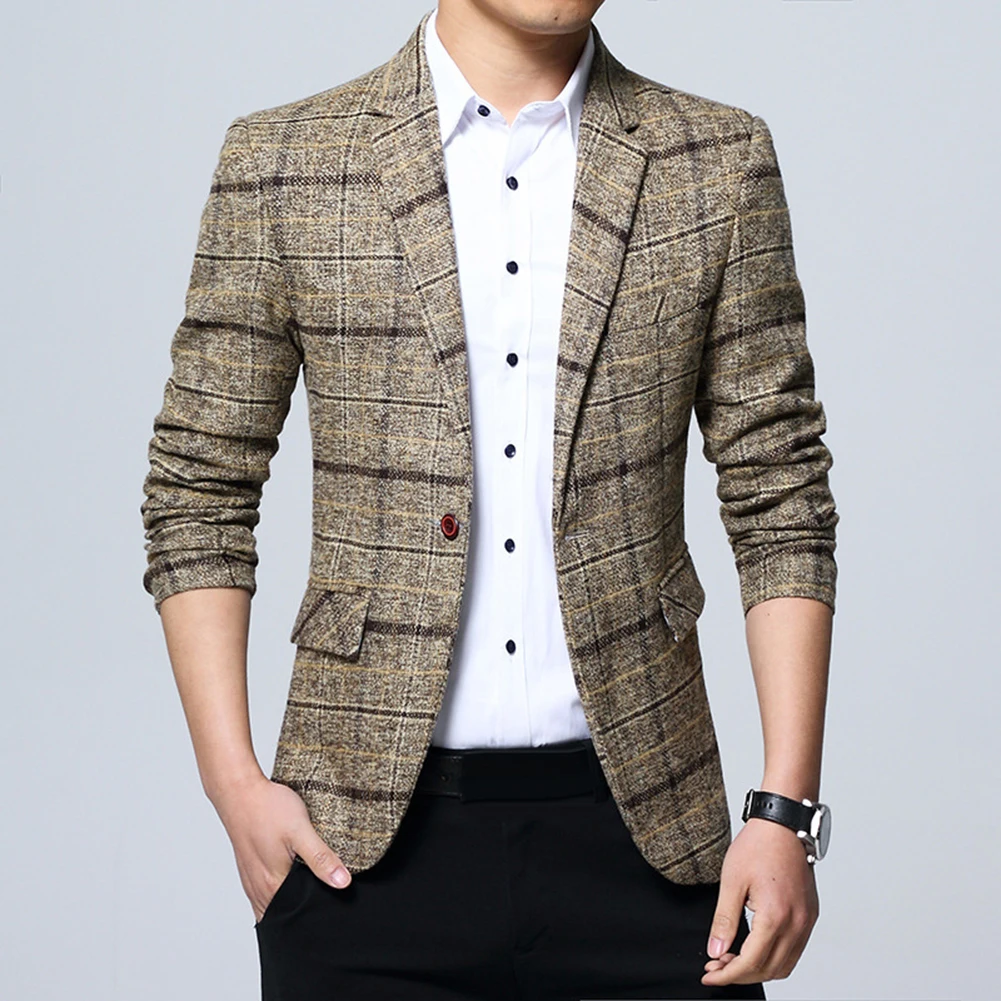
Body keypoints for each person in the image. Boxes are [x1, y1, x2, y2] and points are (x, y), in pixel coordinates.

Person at [140, 2, 838, 998]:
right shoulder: (286, 161)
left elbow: (780, 491)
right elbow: (199, 485)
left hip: (647, 836)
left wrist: (784, 810)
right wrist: (232, 783)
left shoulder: (715, 162)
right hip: (357, 853)